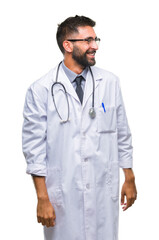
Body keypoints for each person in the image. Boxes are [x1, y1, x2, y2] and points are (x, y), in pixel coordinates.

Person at [22, 15, 137, 240]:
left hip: (102, 190)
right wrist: (42, 198)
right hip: (63, 194)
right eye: (87, 40)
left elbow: (122, 133)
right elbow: (34, 150)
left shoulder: (110, 82)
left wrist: (129, 177)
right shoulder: (41, 90)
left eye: (95, 40)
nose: (94, 46)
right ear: (68, 45)